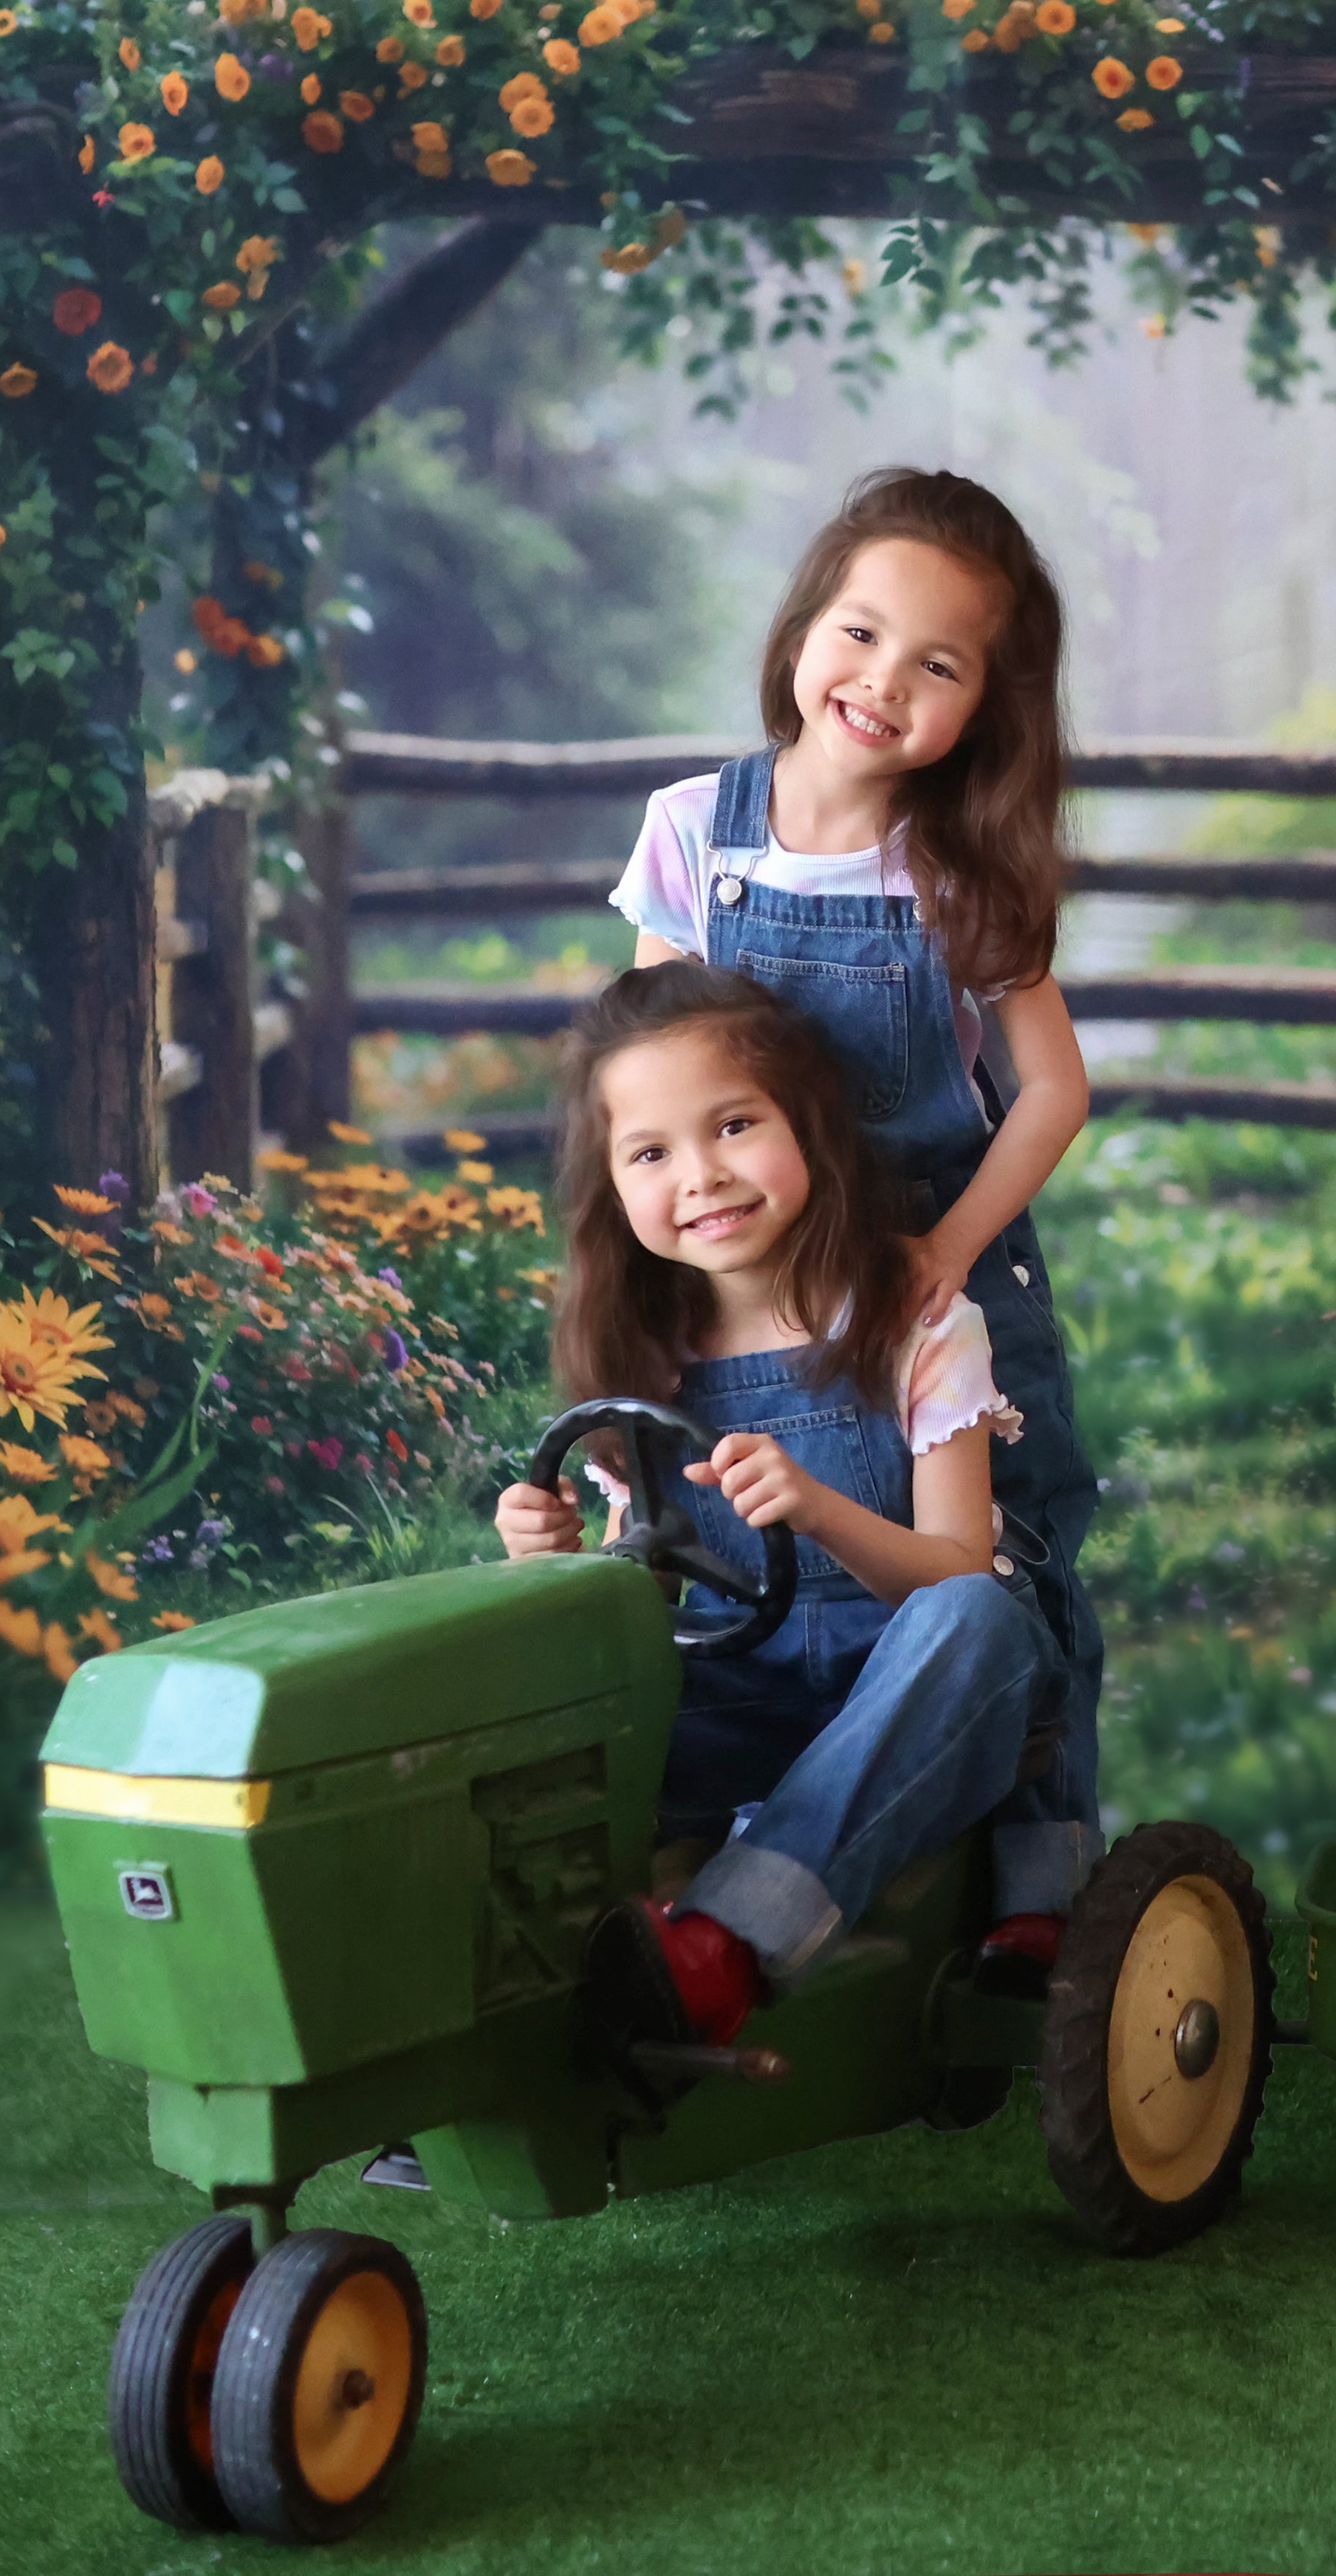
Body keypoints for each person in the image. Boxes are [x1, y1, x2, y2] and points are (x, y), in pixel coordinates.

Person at [608, 466, 1100, 1985]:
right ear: (804, 626)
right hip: (745, 1267)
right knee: (727, 1557)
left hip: (927, 1273)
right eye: (862, 633)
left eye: (937, 665)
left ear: (986, 706)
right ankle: (714, 1863)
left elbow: (1053, 1092)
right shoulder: (695, 831)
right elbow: (645, 1063)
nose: (882, 683)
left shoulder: (951, 871)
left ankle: (1038, 1885)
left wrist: (949, 1249)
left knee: (1010, 1567)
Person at [495, 962, 1076, 2059]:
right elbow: (643, 1595)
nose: (702, 1176)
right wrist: (550, 1560)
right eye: (651, 1154)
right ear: (610, 1188)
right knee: (577, 1699)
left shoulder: (912, 1321)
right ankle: (537, 1967)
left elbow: (957, 1569)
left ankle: (729, 1940)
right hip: (739, 1692)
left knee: (983, 1618)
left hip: (907, 1685)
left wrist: (818, 1510)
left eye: (734, 1125)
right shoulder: (642, 1361)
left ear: (807, 1126)